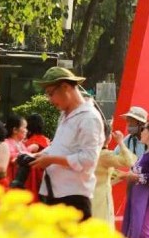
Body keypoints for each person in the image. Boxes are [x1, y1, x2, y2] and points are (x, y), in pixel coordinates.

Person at [29, 67, 104, 220]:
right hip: (54, 193)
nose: (50, 100)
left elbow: (88, 159)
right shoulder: (64, 116)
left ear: (65, 87)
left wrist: (51, 160)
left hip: (73, 198)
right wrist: (40, 155)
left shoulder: (89, 118)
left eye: (51, 94)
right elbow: (59, 147)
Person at [92, 127, 136, 224]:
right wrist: (120, 142)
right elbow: (130, 161)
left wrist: (123, 175)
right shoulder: (105, 155)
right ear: (108, 137)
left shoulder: (90, 152)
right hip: (101, 198)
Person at [3, 115, 28, 185]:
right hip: (9, 182)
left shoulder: (21, 144)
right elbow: (13, 158)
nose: (26, 130)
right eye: (25, 127)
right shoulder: (6, 143)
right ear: (15, 130)